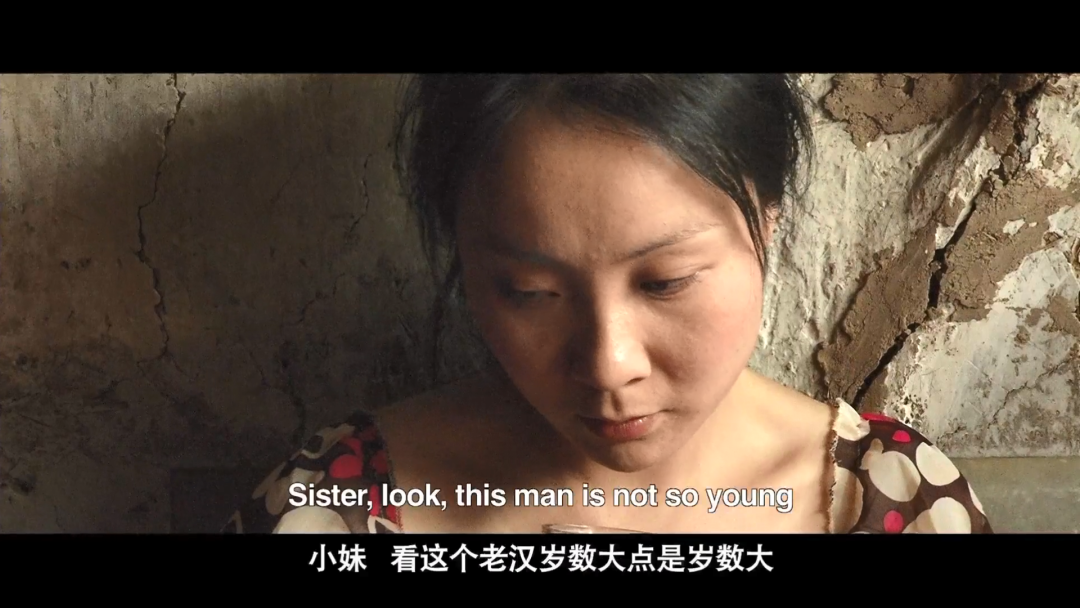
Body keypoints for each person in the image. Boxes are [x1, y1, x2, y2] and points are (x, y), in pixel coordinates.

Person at [222, 74, 992, 534]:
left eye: (666, 281)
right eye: (529, 293)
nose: (608, 365)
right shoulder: (336, 508)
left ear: (766, 224)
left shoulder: (889, 500)